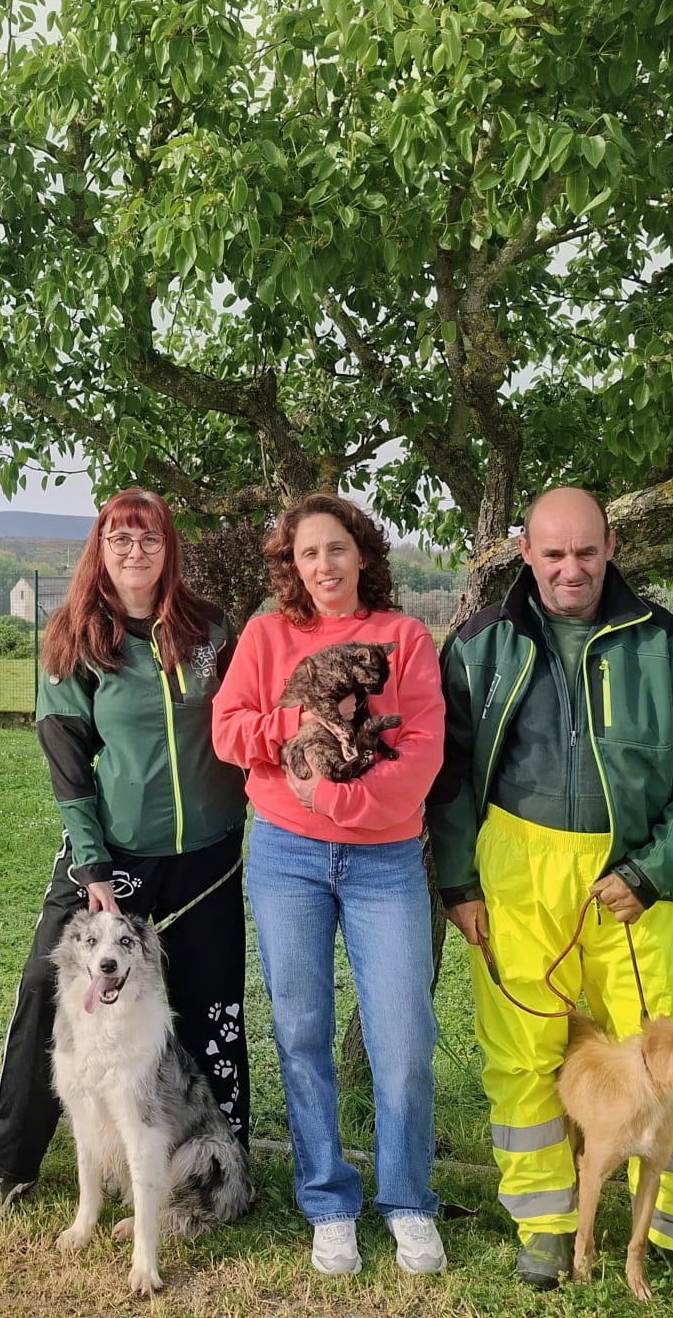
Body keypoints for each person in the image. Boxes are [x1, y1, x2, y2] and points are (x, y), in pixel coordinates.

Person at [426, 487, 673, 1300]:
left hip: (634, 879)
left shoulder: (662, 642)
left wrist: (651, 871)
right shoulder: (478, 642)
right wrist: (459, 881)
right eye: (555, 553)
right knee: (522, 1055)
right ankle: (546, 1226)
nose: (573, 569)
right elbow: (446, 772)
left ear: (610, 550)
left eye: (588, 552)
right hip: (517, 872)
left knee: (670, 1058)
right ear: (524, 552)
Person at [0, 487, 251, 1228]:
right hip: (111, 859)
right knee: (52, 998)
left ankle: (218, 1173)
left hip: (208, 856)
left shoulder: (211, 629)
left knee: (210, 1008)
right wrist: (91, 868)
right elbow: (67, 764)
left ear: (169, 548)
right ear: (101, 549)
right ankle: (8, 1163)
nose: (135, 552)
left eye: (149, 538)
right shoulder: (76, 638)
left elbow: (247, 722)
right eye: (119, 539)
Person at [212, 491, 449, 1279]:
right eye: (308, 553)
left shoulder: (404, 639)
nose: (324, 565)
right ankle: (329, 1203)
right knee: (303, 1032)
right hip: (287, 857)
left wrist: (335, 795)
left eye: (337, 549)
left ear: (364, 555)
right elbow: (227, 730)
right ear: (292, 565)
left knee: (405, 1039)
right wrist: (293, 728)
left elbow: (420, 755)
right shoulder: (266, 635)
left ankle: (409, 1200)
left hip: (384, 861)